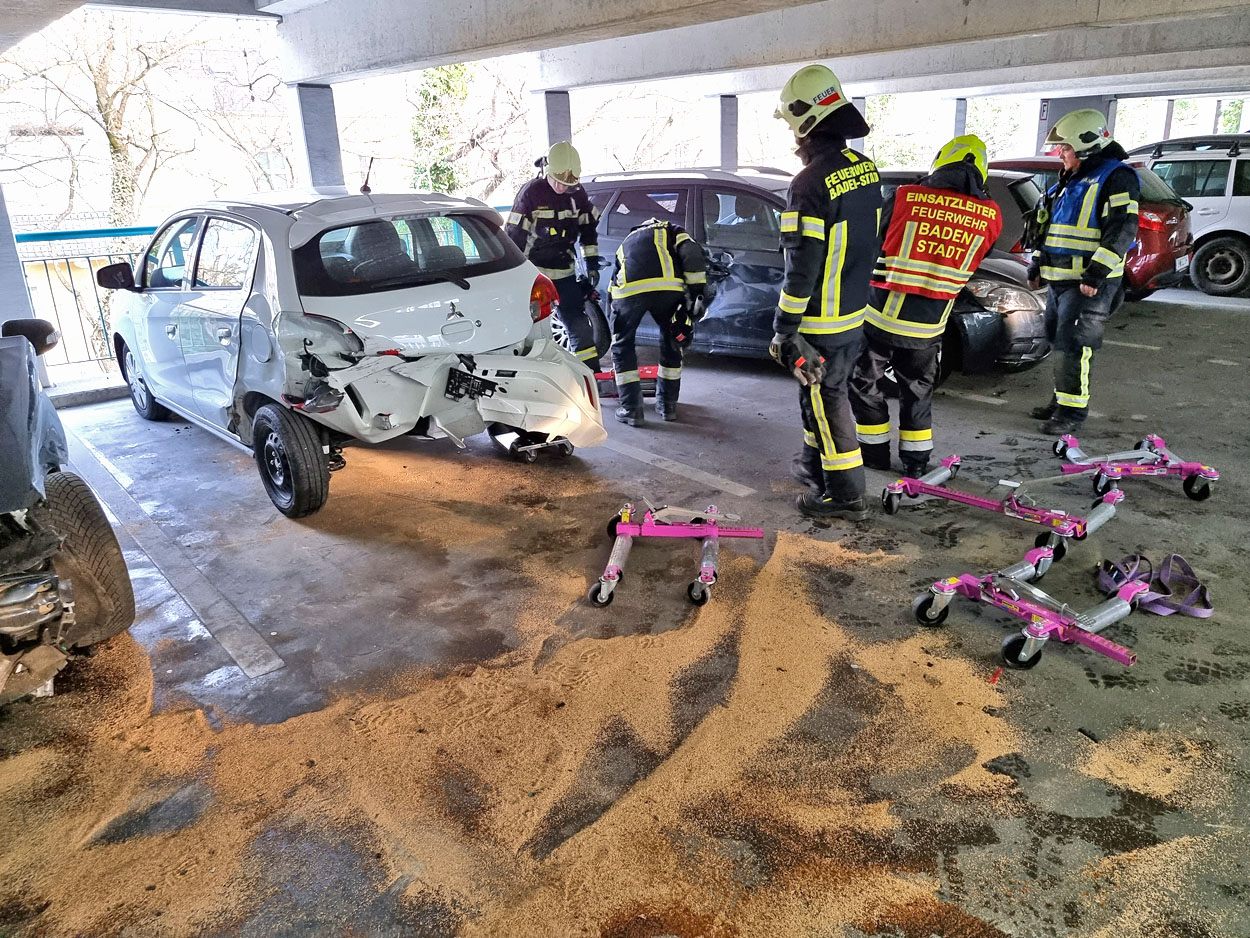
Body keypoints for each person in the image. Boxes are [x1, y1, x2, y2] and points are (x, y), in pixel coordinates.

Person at [850, 135, 1003, 477]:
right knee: (917, 392)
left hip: (880, 320)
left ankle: (873, 454)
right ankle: (916, 463)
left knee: (863, 384)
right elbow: (981, 255)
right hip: (930, 327)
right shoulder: (990, 215)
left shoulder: (906, 196)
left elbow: (873, 239)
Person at [771, 64, 883, 521]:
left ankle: (845, 496)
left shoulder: (810, 183)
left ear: (804, 121)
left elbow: (803, 268)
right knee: (819, 400)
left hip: (821, 322)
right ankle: (815, 472)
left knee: (826, 401)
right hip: (854, 315)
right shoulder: (865, 169)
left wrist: (784, 327)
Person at [1027, 108, 1140, 434]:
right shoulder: (1070, 179)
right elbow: (1048, 228)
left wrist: (1095, 274)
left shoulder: (1117, 176)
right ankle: (1061, 401)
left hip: (1087, 284)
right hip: (1059, 280)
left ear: (1087, 145)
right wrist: (1037, 263)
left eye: (1066, 148)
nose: (1060, 153)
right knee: (1058, 340)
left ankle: (1071, 414)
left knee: (1075, 345)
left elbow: (1122, 228)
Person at [505, 141, 605, 371]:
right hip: (534, 275)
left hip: (564, 272)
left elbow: (588, 229)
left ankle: (590, 374)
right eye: (558, 181)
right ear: (547, 170)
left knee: (579, 324)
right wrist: (513, 275)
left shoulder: (577, 194)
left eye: (567, 183)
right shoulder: (531, 193)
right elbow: (514, 236)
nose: (562, 187)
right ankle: (531, 374)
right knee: (531, 328)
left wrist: (591, 264)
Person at [606, 217, 708, 425]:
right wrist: (697, 292)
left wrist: (614, 317)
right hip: (667, 289)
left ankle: (631, 409)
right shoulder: (672, 230)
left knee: (622, 346)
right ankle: (667, 405)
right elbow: (692, 253)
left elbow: (614, 278)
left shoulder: (627, 240)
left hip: (628, 292)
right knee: (672, 340)